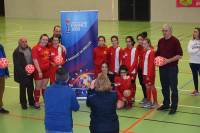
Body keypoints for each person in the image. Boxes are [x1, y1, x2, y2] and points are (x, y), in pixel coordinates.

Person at [156, 24, 183, 114]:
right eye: (163, 30)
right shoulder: (160, 41)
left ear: (170, 31)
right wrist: (156, 60)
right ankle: (166, 104)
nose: (164, 32)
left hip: (172, 68)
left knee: (173, 88)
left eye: (166, 30)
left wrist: (168, 60)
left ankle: (174, 107)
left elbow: (179, 55)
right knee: (164, 87)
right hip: (162, 68)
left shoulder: (175, 41)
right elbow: (158, 53)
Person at [44, 67, 79, 133]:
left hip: (50, 126)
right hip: (65, 126)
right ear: (67, 78)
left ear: (55, 77)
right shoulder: (70, 91)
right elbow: (76, 108)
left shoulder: (47, 90)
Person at [13, 37, 35, 109]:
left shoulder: (29, 48)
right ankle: (23, 103)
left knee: (31, 88)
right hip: (22, 74)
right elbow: (17, 65)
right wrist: (25, 73)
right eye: (23, 42)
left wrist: (31, 70)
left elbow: (32, 59)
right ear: (19, 43)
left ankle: (31, 101)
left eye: (26, 41)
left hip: (30, 73)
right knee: (22, 89)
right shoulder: (16, 52)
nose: (25, 43)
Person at [32, 34, 50, 109]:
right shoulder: (35, 48)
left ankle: (45, 101)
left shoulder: (46, 48)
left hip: (46, 71)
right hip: (38, 71)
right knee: (38, 87)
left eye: (46, 40)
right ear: (40, 39)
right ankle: (36, 102)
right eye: (43, 39)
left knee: (44, 87)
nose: (45, 41)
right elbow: (35, 60)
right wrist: (39, 71)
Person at [141, 38, 158, 109]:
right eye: (143, 44)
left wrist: (149, 75)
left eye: (145, 44)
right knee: (147, 87)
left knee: (151, 86)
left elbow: (151, 65)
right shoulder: (145, 51)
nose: (143, 45)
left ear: (148, 44)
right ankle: (149, 101)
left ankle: (155, 102)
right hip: (145, 73)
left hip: (149, 74)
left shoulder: (151, 52)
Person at [122, 36, 138, 100]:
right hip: (126, 71)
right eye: (127, 41)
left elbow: (135, 61)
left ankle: (133, 96)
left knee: (132, 84)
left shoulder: (135, 50)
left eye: (129, 41)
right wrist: (124, 70)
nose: (128, 43)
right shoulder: (124, 50)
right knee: (126, 84)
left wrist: (130, 70)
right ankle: (127, 96)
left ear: (132, 42)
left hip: (132, 71)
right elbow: (123, 60)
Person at [187, 27, 200, 96]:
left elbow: (193, 52)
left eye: (196, 32)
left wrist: (194, 52)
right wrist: (198, 50)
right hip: (192, 62)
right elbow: (189, 51)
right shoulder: (191, 41)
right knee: (194, 76)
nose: (194, 33)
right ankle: (196, 90)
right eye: (194, 32)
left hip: (199, 62)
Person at [136, 32, 147, 104]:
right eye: (138, 39)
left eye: (141, 39)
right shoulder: (138, 47)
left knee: (147, 84)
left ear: (144, 39)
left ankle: (149, 98)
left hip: (146, 69)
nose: (140, 41)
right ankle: (145, 97)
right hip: (140, 68)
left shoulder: (148, 47)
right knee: (142, 83)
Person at [0, 43, 9, 114]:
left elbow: (4, 59)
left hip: (2, 73)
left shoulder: (1, 46)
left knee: (1, 90)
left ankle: (0, 107)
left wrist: (6, 72)